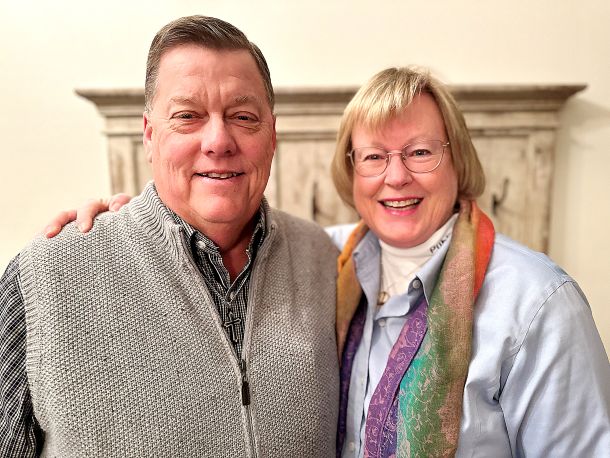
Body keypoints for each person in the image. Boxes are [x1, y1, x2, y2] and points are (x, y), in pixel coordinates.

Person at [60, 67, 610, 457]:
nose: (396, 177)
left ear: (457, 160)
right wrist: (129, 219)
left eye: (420, 152)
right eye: (373, 156)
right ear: (351, 171)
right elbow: (214, 232)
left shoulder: (537, 303)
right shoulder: (326, 258)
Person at [0, 16, 339, 457]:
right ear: (149, 135)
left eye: (242, 116)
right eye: (187, 117)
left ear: (272, 135)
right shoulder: (45, 276)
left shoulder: (325, 259)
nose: (218, 141)